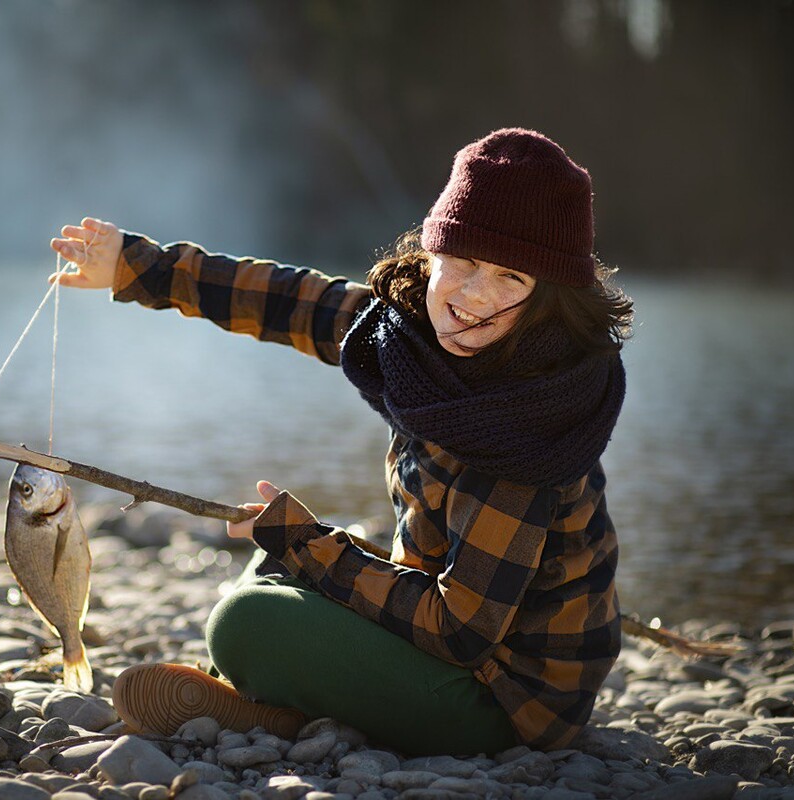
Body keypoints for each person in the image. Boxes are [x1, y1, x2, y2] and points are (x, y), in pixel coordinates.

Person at [48, 128, 633, 755]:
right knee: (272, 556)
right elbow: (294, 303)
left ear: (547, 298)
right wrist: (138, 267)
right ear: (431, 252)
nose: (472, 295)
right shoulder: (414, 339)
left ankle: (278, 709)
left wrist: (311, 547)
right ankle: (279, 705)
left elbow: (462, 631)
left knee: (248, 617)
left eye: (509, 277)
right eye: (460, 259)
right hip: (453, 639)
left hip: (507, 702)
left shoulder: (523, 428)